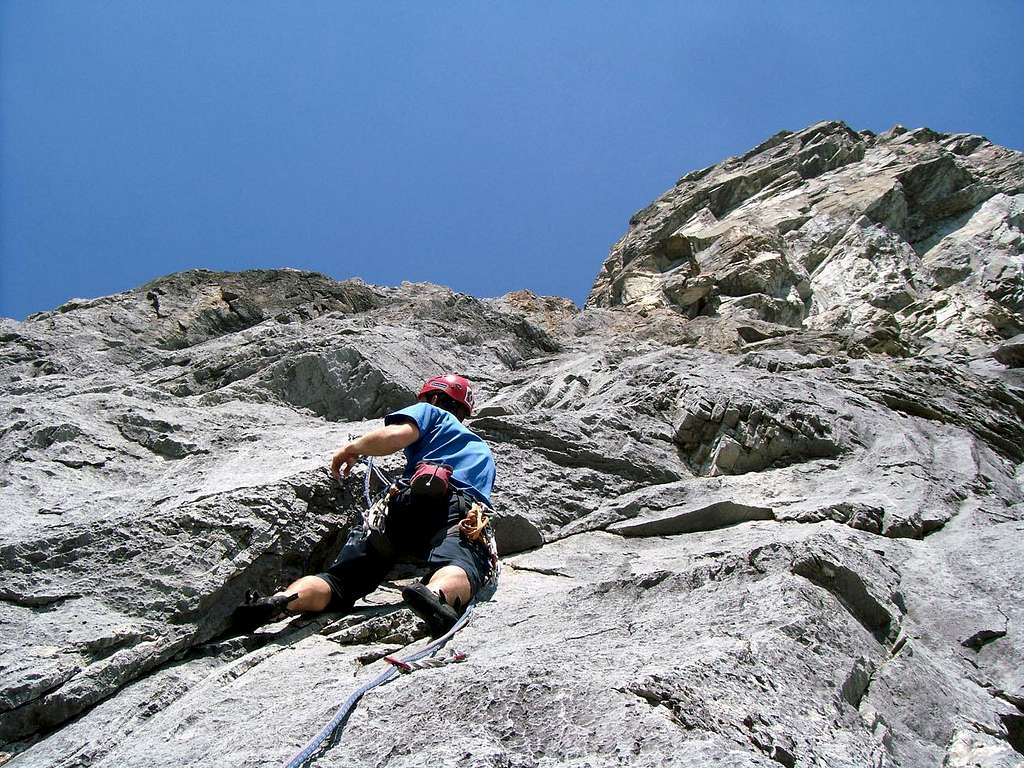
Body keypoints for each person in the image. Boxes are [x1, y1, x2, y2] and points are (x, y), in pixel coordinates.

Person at [232, 374, 497, 637]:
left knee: (340, 581)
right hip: (456, 510)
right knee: (463, 561)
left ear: (436, 397)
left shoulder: (431, 412)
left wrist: (353, 448)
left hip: (402, 509)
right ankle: (436, 595)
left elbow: (397, 435)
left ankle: (286, 599)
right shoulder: (482, 451)